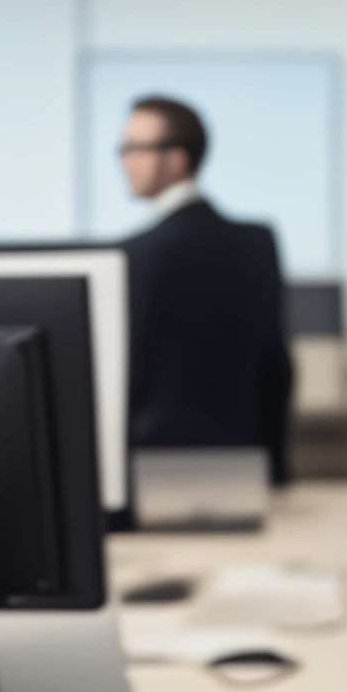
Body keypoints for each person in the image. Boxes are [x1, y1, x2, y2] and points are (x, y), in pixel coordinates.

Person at [117, 95, 293, 488]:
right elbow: (276, 371)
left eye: (134, 148)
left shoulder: (134, 254)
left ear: (177, 158)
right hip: (245, 473)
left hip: (149, 476)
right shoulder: (257, 243)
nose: (123, 160)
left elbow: (128, 377)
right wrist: (277, 475)